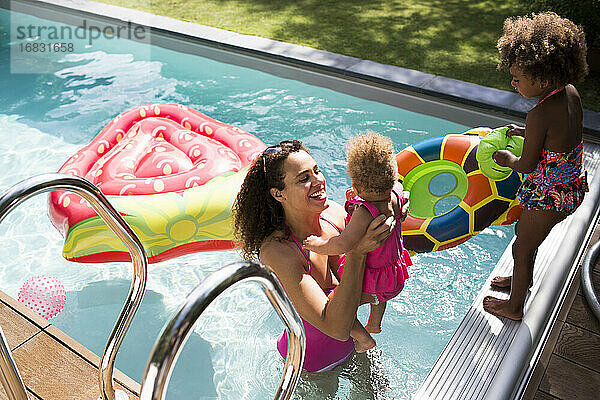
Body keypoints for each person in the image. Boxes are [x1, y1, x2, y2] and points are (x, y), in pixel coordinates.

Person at [232, 139, 395, 372]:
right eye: (304, 178)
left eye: (316, 170)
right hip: (312, 364)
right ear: (279, 194)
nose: (318, 180)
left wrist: (392, 213)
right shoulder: (278, 251)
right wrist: (359, 251)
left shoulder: (335, 214)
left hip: (358, 344)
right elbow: (336, 328)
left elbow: (375, 278)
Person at [483, 12, 589, 321]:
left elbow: (527, 165)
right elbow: (561, 134)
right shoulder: (569, 93)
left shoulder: (538, 114)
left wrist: (508, 160)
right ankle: (522, 280)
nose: (512, 82)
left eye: (517, 78)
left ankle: (514, 307)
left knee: (522, 245)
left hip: (550, 195)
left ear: (542, 78)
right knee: (529, 239)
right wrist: (528, 133)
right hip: (571, 187)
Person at [303, 131, 411, 337]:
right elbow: (402, 190)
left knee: (341, 302)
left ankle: (361, 336)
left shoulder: (364, 212)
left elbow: (342, 244)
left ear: (356, 184)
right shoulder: (396, 193)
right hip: (393, 274)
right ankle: (375, 324)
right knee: (380, 299)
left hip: (370, 280)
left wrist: (316, 244)